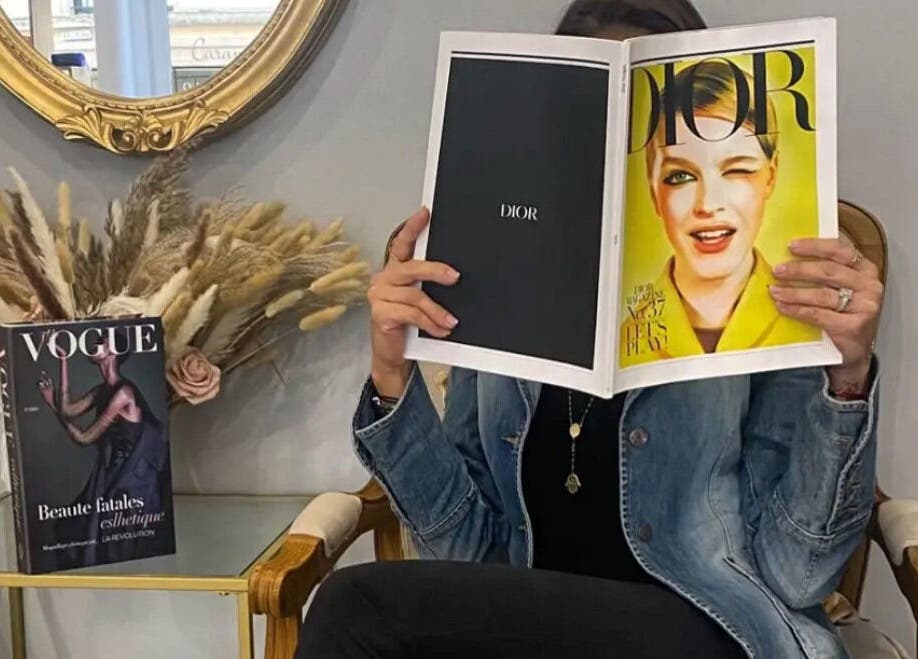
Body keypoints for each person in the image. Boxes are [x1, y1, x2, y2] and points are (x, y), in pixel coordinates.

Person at [297, 1, 883, 658]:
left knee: (356, 605)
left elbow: (798, 571)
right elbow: (463, 550)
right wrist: (391, 377)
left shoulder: (768, 309)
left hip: (710, 632)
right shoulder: (497, 296)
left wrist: (847, 382)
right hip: (533, 634)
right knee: (356, 611)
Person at [621, 57, 812, 363]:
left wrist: (850, 369)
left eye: (736, 170)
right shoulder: (619, 340)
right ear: (653, 189)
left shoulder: (809, 325)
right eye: (680, 176)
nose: (708, 204)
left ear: (771, 176)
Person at [38, 328, 171, 567]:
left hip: (133, 481)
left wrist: (52, 407)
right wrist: (64, 360)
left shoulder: (124, 393)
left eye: (101, 341)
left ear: (112, 352)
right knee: (83, 534)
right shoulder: (102, 391)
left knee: (116, 548)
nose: (94, 344)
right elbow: (68, 410)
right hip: (113, 475)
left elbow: (84, 438)